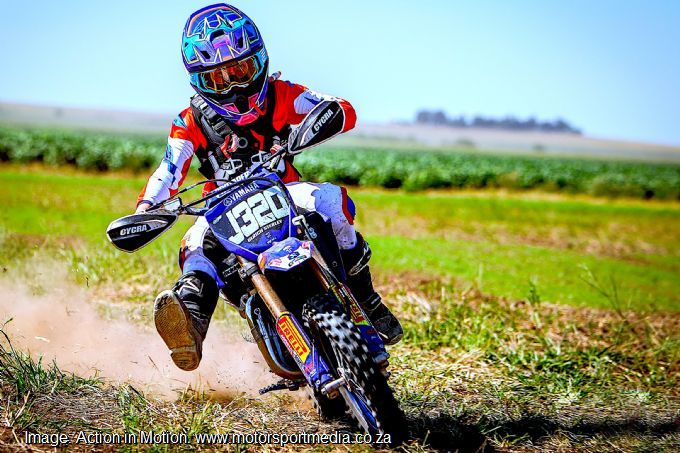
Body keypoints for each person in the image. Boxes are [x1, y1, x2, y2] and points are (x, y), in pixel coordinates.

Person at [135, 3, 402, 371]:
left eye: (240, 71)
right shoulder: (189, 120)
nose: (233, 86)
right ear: (199, 82)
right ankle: (189, 324)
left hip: (285, 193)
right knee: (194, 246)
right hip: (222, 210)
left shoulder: (282, 93)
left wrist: (330, 115)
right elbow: (168, 171)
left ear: (258, 62)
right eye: (218, 80)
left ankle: (365, 297)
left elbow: (339, 109)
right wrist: (146, 207)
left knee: (331, 200)